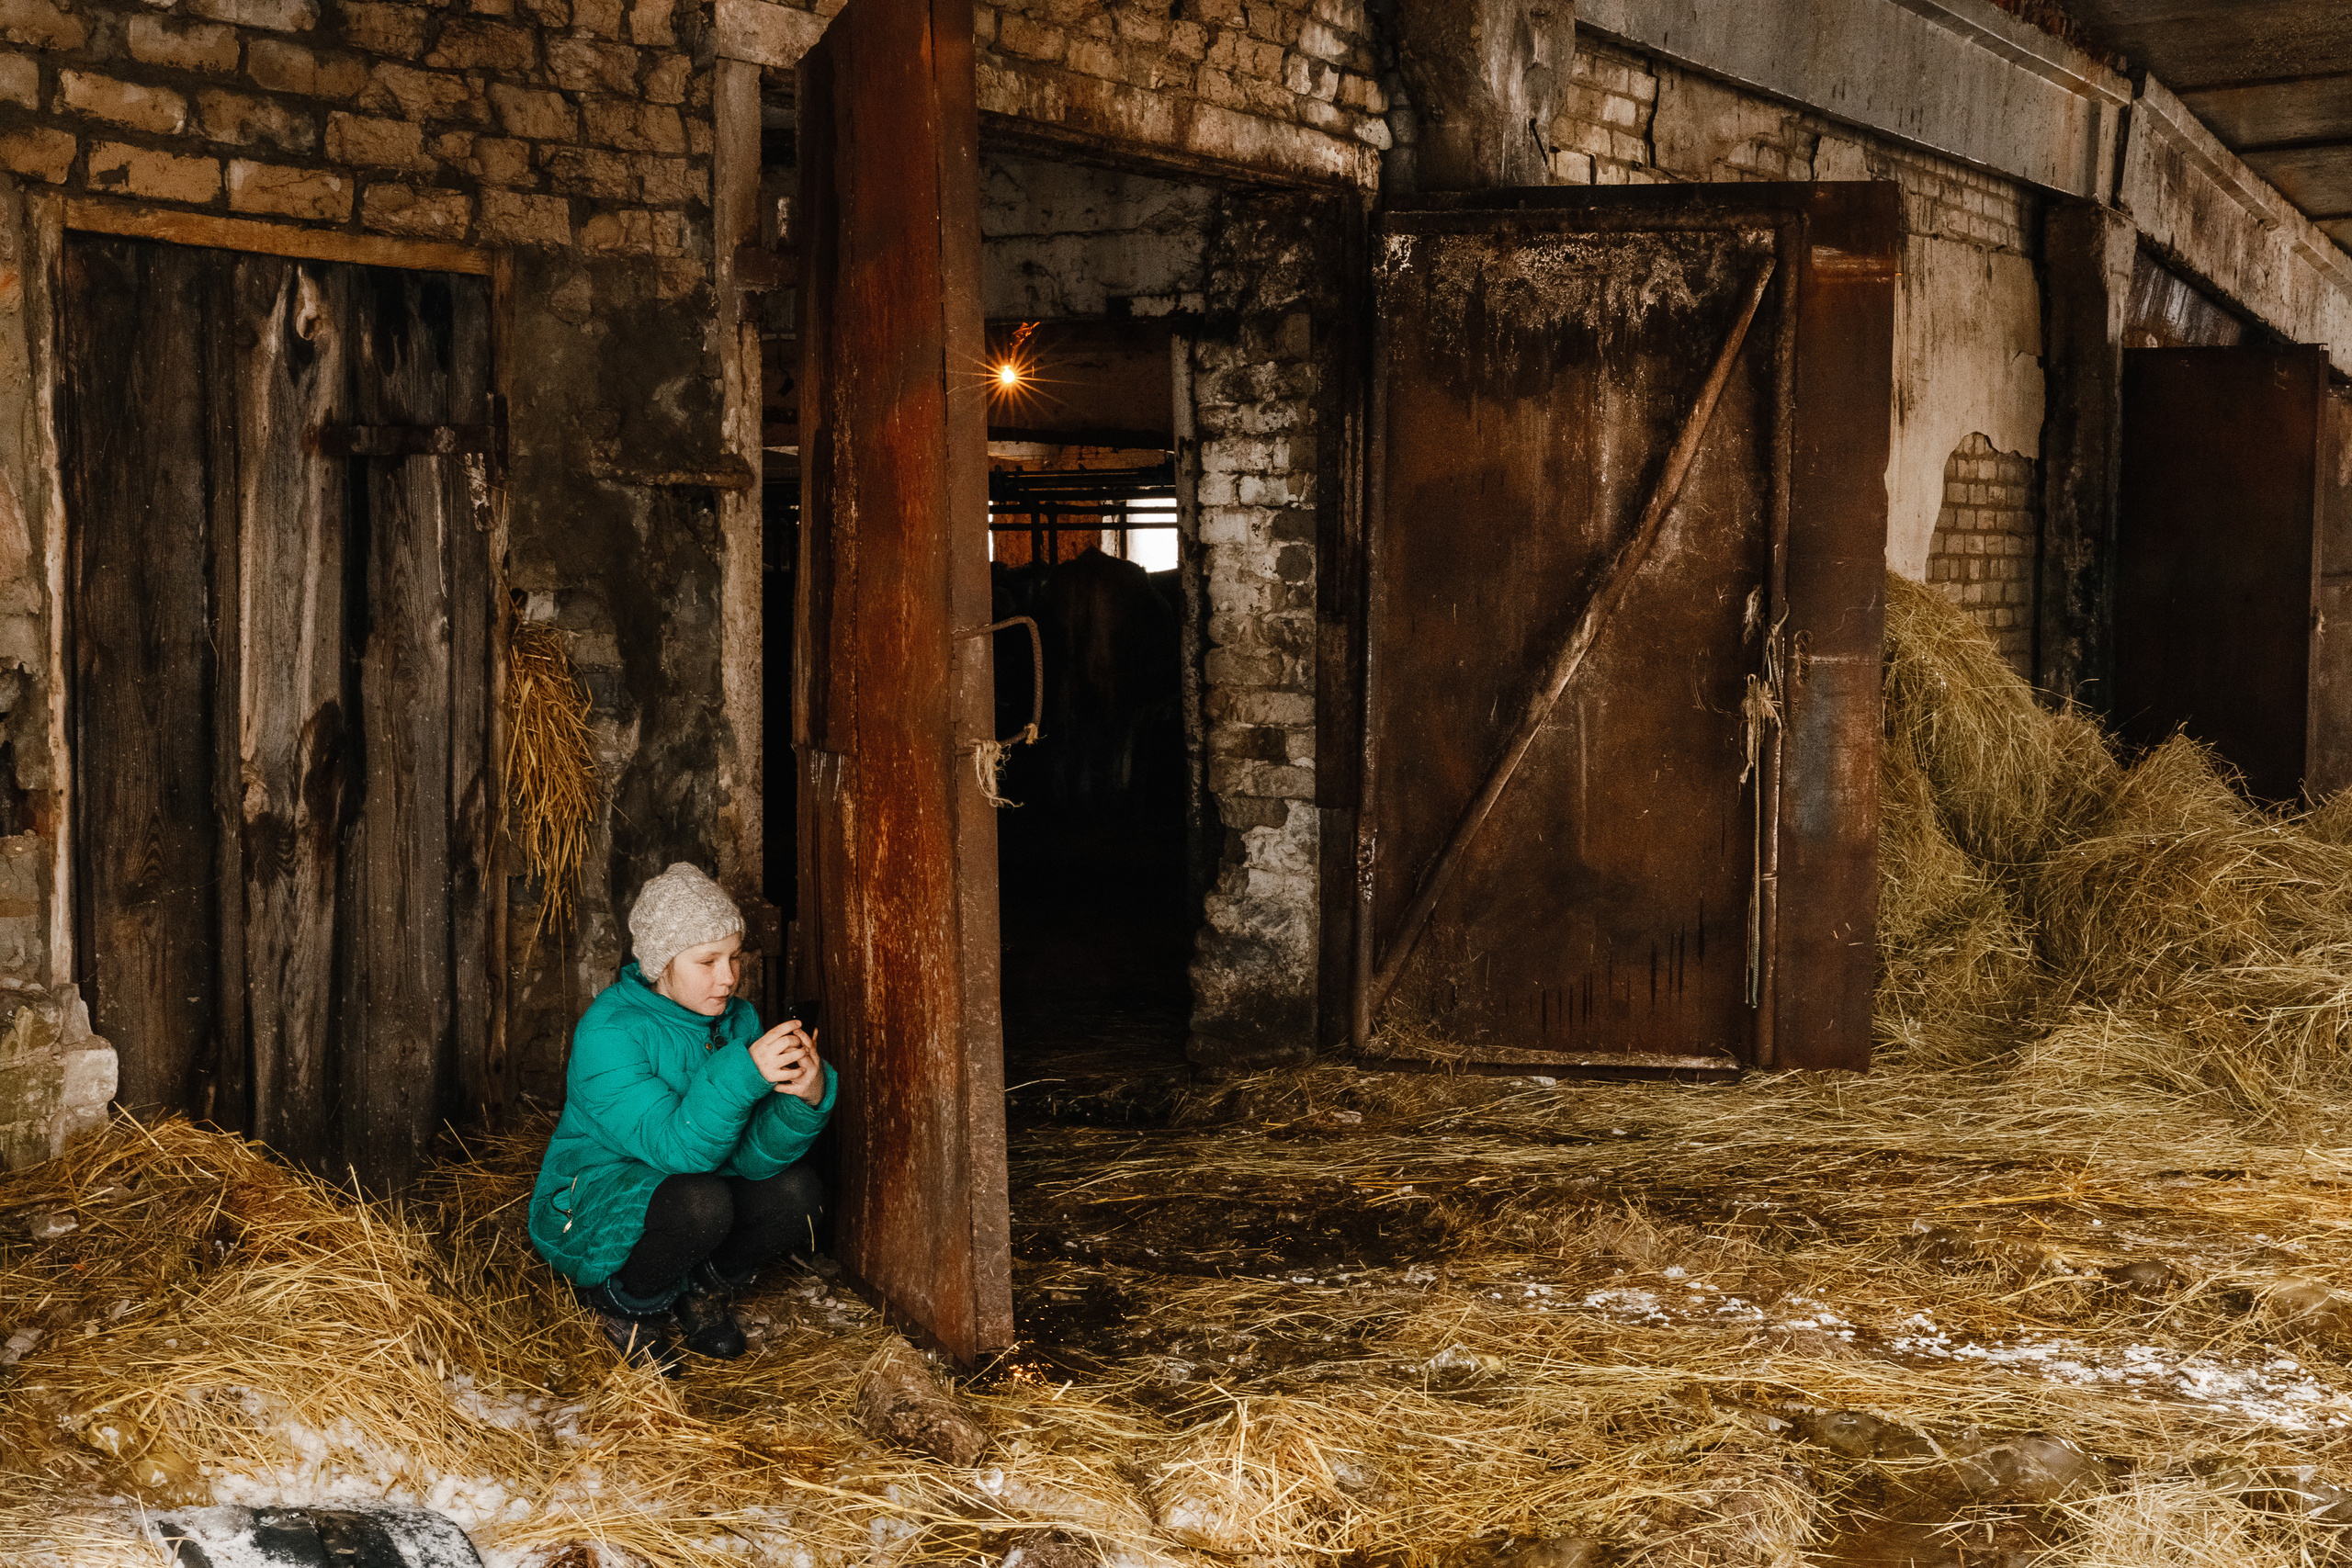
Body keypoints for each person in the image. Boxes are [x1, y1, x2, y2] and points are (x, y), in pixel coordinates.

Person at [528, 862, 835, 1376]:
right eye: (707, 960)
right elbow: (679, 1148)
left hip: (697, 1173)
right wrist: (744, 1074)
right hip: (599, 1188)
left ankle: (702, 1289)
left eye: (734, 957)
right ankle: (625, 1304)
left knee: (799, 1195)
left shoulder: (737, 1018)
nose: (729, 977)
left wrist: (804, 1097)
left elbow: (751, 1154)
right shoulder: (610, 1032)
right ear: (661, 964)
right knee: (701, 1202)